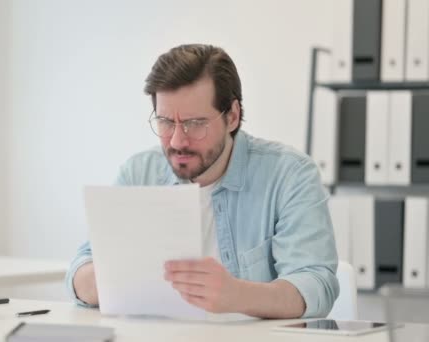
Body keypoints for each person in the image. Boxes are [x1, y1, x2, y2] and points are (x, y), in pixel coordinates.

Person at [65, 44, 339, 319]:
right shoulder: (139, 173)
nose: (177, 141)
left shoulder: (289, 174)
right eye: (165, 122)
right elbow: (81, 270)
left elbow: (315, 285)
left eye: (195, 123)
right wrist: (107, 282)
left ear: (232, 116)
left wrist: (237, 295)